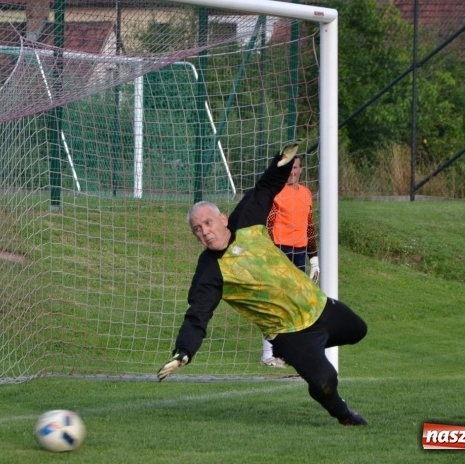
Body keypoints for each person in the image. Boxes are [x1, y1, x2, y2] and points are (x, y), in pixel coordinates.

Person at [157, 143, 369, 426]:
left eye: (208, 223)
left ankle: (310, 354)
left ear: (222, 218)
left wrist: (280, 161)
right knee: (326, 381)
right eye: (197, 229)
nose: (205, 232)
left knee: (358, 329)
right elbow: (198, 314)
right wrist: (184, 351)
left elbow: (266, 186)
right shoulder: (209, 271)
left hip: (316, 305)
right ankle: (342, 413)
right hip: (289, 333)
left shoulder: (246, 220)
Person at [260, 154, 319, 368]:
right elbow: (268, 225)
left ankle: (287, 351)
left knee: (295, 302)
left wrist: (314, 258)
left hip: (300, 252)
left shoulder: (306, 193)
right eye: (289, 168)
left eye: (296, 168)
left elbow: (309, 226)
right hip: (279, 250)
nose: (292, 172)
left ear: (301, 170)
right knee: (276, 300)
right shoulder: (277, 193)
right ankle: (268, 354)